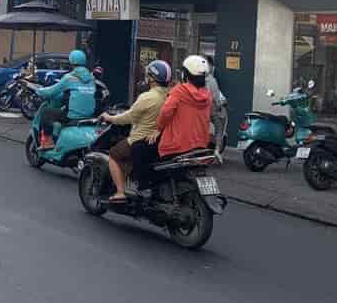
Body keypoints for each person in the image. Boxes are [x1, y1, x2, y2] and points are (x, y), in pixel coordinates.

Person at [100, 60, 171, 202]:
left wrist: (110, 118)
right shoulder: (170, 96)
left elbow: (129, 117)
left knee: (114, 154)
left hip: (140, 139)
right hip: (160, 141)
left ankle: (120, 192)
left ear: (151, 78)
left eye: (148, 75)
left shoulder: (147, 97)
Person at [149, 55, 213, 162]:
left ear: (185, 74)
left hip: (177, 146)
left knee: (140, 149)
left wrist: (159, 129)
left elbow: (165, 112)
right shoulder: (207, 95)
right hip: (201, 146)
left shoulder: (179, 91)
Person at [35, 50, 97, 149]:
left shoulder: (70, 77)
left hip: (73, 116)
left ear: (71, 62)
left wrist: (38, 90)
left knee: (46, 112)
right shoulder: (92, 78)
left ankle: (48, 142)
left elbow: (51, 91)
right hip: (89, 114)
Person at [204, 54, 228, 153]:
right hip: (209, 108)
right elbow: (216, 98)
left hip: (199, 108)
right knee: (219, 128)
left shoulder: (194, 77)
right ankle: (217, 150)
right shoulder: (210, 79)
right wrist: (220, 104)